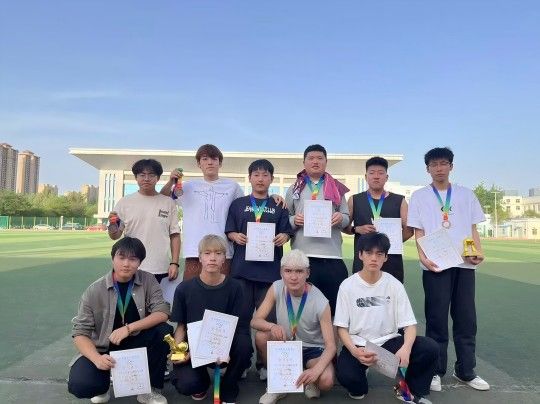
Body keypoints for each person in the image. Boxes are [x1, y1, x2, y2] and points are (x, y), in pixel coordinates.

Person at [407, 147, 489, 392]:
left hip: (464, 264)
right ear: (428, 169)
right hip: (435, 265)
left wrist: (478, 251)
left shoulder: (466, 194)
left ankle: (466, 370)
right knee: (436, 319)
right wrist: (423, 257)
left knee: (466, 319)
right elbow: (418, 231)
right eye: (434, 165)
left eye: (443, 163)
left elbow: (473, 228)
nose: (439, 168)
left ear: (451, 166)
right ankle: (435, 371)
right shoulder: (419, 196)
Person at [334, 232, 438, 403]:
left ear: (386, 257)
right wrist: (354, 351)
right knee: (351, 382)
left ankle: (408, 389)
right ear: (360, 255)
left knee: (430, 348)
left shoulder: (394, 285)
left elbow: (410, 325)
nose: (374, 258)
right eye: (369, 253)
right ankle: (361, 374)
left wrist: (406, 349)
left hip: (389, 342)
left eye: (379, 254)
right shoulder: (347, 286)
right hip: (359, 345)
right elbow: (341, 328)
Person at [68, 237, 173, 404]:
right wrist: (97, 359)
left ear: (140, 262)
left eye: (133, 259)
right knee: (82, 385)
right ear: (113, 258)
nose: (126, 264)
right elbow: (80, 333)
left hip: (137, 342)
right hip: (104, 348)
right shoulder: (94, 290)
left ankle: (149, 389)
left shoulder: (148, 280)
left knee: (163, 331)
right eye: (121, 257)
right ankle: (102, 387)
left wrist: (128, 328)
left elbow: (162, 312)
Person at [225, 158, 293, 378]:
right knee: (241, 320)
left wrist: (284, 236)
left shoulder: (279, 205)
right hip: (242, 272)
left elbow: (286, 232)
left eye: (265, 175)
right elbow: (229, 230)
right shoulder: (238, 204)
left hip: (269, 274)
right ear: (250, 178)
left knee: (268, 322)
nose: (260, 179)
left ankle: (264, 364)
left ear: (271, 179)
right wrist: (234, 236)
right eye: (256, 174)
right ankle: (242, 362)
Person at [170, 235, 252, 404]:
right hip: (194, 348)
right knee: (188, 384)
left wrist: (222, 350)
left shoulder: (236, 287)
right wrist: (179, 353)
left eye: (218, 253)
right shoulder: (184, 289)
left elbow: (238, 325)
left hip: (225, 343)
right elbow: (181, 326)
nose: (212, 258)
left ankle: (228, 385)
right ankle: (201, 382)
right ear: (200, 258)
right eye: (207, 253)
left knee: (244, 345)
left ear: (224, 259)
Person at [252, 249, 336, 404]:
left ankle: (310, 379)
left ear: (307, 273)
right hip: (286, 344)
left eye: (299, 271)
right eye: (288, 271)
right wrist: (271, 326)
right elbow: (255, 321)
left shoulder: (320, 301)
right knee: (261, 336)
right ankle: (277, 384)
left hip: (312, 348)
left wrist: (315, 371)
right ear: (281, 272)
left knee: (326, 380)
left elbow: (331, 346)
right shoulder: (276, 287)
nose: (293, 276)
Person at [285, 144, 350, 315]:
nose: (315, 162)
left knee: (334, 309)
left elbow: (346, 217)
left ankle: (331, 334)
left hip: (332, 257)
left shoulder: (337, 187)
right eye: (311, 158)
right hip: (302, 257)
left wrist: (340, 218)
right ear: (304, 162)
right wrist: (294, 220)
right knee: (302, 309)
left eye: (320, 158)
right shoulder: (294, 188)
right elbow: (285, 219)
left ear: (326, 162)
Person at [108, 159, 180, 283]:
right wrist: (113, 226)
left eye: (151, 175)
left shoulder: (168, 203)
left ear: (158, 178)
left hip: (160, 268)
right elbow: (115, 236)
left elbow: (175, 235)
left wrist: (174, 263)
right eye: (142, 175)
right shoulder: (125, 202)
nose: (146, 179)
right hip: (131, 267)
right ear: (136, 177)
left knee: (159, 297)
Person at [343, 156, 413, 283]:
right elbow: (344, 227)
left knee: (391, 293)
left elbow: (409, 230)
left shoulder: (400, 201)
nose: (376, 176)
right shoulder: (354, 199)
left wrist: (391, 243)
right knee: (362, 293)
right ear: (366, 177)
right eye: (372, 173)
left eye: (380, 173)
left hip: (391, 261)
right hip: (363, 261)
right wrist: (356, 229)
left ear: (386, 177)